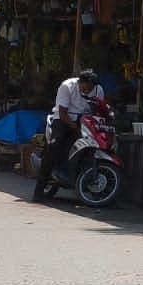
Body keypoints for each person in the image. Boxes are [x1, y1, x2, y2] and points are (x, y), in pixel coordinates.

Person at [32, 69, 105, 202]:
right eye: (86, 88)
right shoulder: (67, 86)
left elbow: (99, 110)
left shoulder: (98, 89)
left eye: (91, 88)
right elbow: (63, 112)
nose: (88, 91)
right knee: (54, 147)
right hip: (64, 120)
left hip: (85, 121)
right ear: (80, 82)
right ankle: (38, 191)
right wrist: (75, 127)